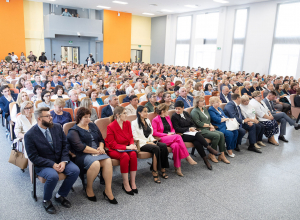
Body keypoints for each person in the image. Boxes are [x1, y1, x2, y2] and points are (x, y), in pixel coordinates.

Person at [25, 107, 80, 214]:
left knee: (75, 170)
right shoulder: (29, 135)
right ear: (39, 119)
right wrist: (52, 164)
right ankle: (46, 200)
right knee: (53, 176)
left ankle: (60, 195)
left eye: (50, 115)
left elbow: (65, 145)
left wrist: (64, 161)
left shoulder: (57, 127)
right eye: (48, 116)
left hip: (60, 160)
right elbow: (33, 157)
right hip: (43, 164)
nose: (51, 118)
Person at [67, 107, 117, 204]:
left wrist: (101, 148)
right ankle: (88, 188)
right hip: (82, 155)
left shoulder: (93, 125)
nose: (88, 119)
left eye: (89, 117)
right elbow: (80, 147)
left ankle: (108, 190)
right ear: (79, 118)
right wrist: (97, 151)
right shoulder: (73, 130)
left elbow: (101, 140)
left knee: (107, 161)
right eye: (85, 117)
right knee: (95, 164)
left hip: (97, 151)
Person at [171, 101, 221, 170]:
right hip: (182, 135)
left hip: (191, 133)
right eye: (176, 108)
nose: (177, 110)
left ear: (183, 108)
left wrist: (193, 128)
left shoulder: (185, 113)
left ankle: (205, 160)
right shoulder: (174, 116)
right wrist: (189, 129)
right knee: (197, 134)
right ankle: (209, 148)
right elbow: (177, 128)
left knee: (197, 142)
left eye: (179, 109)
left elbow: (192, 123)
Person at [152, 103, 197, 176]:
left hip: (171, 137)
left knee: (176, 145)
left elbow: (172, 128)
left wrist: (172, 133)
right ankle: (187, 157)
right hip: (162, 138)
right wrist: (167, 134)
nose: (168, 111)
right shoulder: (155, 120)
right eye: (167, 110)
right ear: (163, 111)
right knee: (178, 137)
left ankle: (178, 168)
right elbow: (154, 133)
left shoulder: (167, 117)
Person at [105, 106, 138, 195]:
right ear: (118, 115)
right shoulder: (111, 126)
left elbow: (131, 137)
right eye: (124, 113)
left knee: (134, 154)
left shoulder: (127, 123)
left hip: (126, 147)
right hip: (114, 149)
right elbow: (112, 144)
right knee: (125, 156)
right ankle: (125, 183)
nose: (126, 115)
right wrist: (128, 147)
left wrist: (132, 144)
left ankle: (133, 182)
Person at [131, 106, 169, 183]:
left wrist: (152, 140)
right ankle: (154, 171)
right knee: (156, 148)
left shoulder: (147, 120)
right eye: (145, 111)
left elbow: (150, 134)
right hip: (141, 144)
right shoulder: (134, 123)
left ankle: (162, 167)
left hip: (149, 141)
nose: (147, 113)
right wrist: (148, 142)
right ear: (139, 112)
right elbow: (135, 138)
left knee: (164, 146)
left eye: (147, 111)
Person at [191, 96, 230, 163]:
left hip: (208, 127)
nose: (203, 102)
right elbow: (198, 123)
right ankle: (212, 154)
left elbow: (209, 120)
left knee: (221, 134)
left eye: (203, 100)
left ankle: (222, 155)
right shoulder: (194, 111)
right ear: (197, 103)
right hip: (200, 130)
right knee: (216, 135)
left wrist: (211, 126)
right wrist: (209, 126)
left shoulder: (204, 109)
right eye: (201, 101)